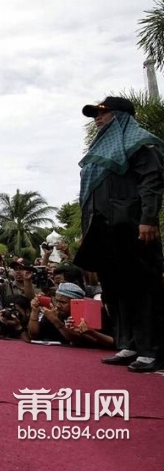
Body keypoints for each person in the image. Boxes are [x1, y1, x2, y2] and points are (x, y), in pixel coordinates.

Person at [75, 96, 164, 372]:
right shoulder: (100, 151)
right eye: (96, 115)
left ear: (121, 115)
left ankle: (150, 351)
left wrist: (148, 219)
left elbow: (152, 179)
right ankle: (127, 345)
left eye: (103, 113)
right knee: (115, 290)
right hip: (103, 231)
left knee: (143, 289)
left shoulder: (138, 140)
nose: (97, 119)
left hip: (132, 228)